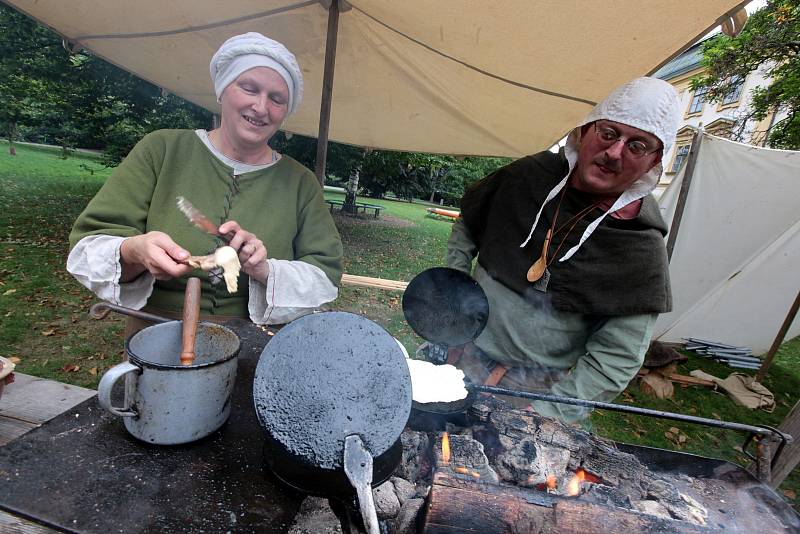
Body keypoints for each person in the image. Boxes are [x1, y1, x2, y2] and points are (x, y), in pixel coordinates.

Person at [67, 32, 343, 331]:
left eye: (277, 99)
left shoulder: (300, 182)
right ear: (223, 90)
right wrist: (135, 250)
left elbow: (325, 278)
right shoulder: (161, 150)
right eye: (249, 88)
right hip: (154, 334)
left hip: (257, 343)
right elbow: (87, 248)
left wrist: (265, 269)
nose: (261, 108)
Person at [444, 77, 680, 423]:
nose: (614, 152)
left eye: (637, 146)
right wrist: (450, 287)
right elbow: (469, 223)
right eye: (609, 133)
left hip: (528, 396)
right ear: (585, 132)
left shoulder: (640, 248)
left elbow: (617, 358)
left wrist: (544, 413)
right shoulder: (527, 176)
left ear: (653, 161)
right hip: (455, 356)